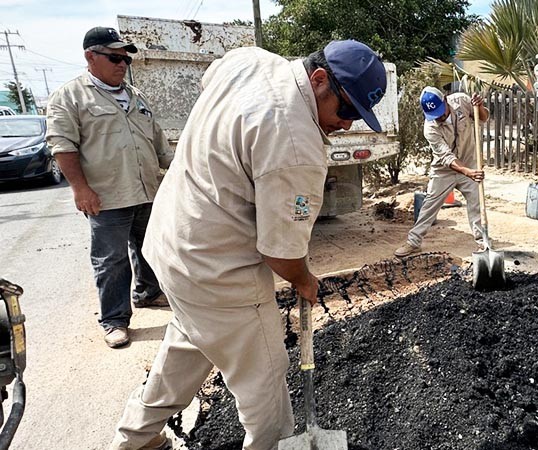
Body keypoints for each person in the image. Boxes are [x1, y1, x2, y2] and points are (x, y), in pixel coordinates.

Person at [109, 40, 387, 450]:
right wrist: (305, 279)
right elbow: (281, 253)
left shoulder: (251, 61)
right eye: (346, 110)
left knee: (190, 341)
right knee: (267, 386)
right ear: (319, 79)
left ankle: (135, 439)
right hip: (218, 271)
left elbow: (211, 80)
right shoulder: (297, 143)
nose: (347, 125)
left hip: (172, 243)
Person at [46, 27, 173, 349]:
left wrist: (182, 169)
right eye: (115, 57)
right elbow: (62, 146)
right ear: (91, 56)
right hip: (107, 196)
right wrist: (80, 189)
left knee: (150, 249)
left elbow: (158, 143)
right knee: (111, 259)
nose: (122, 64)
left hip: (146, 190)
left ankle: (149, 293)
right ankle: (114, 320)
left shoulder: (136, 95)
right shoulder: (71, 96)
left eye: (126, 59)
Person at [394, 87, 490, 257]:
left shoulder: (461, 101)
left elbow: (482, 118)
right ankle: (413, 242)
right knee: (429, 205)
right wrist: (467, 172)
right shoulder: (430, 128)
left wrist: (480, 107)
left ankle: (484, 243)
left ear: (445, 100)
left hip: (469, 162)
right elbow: (446, 157)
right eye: (435, 115)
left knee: (477, 204)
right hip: (444, 170)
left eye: (441, 112)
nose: (439, 117)